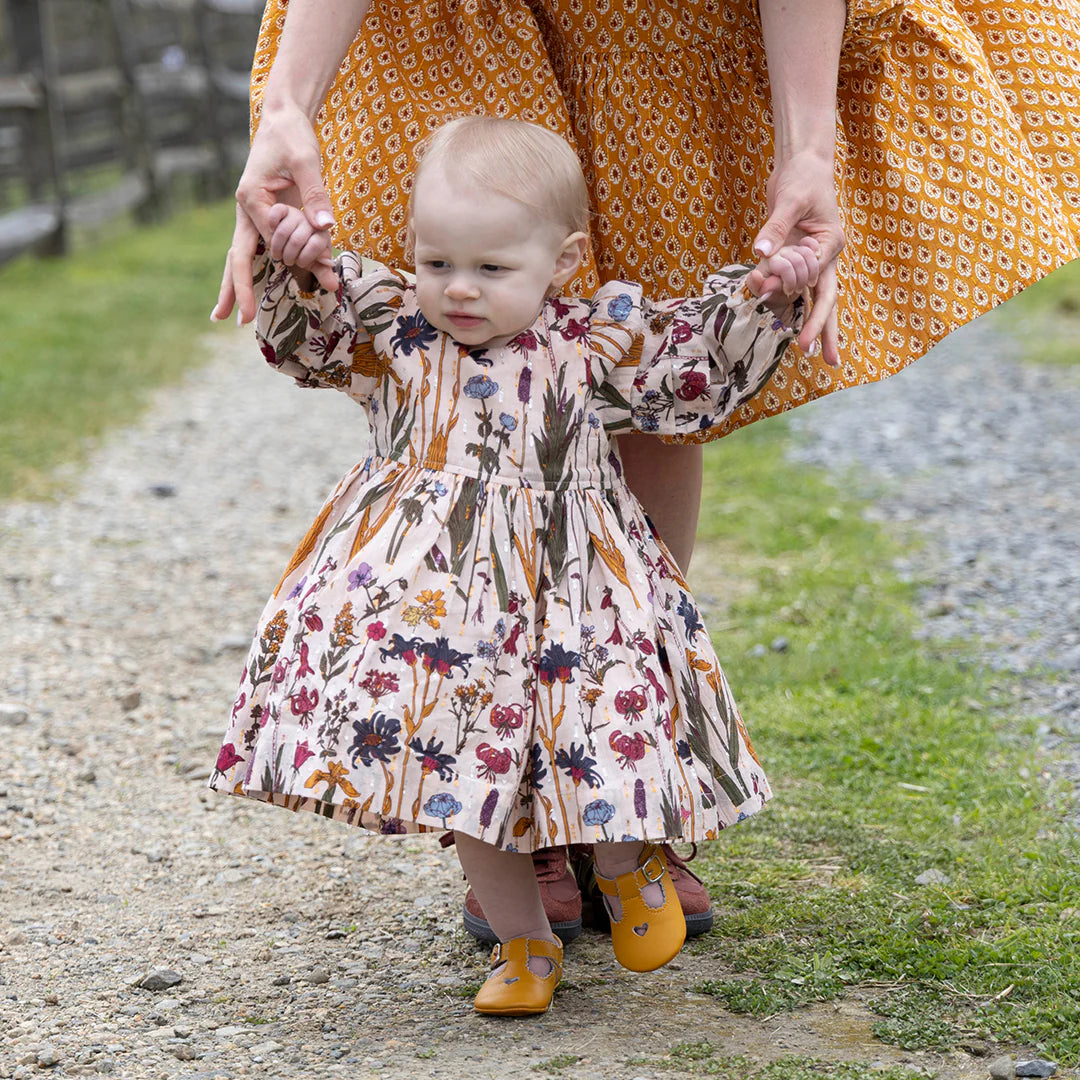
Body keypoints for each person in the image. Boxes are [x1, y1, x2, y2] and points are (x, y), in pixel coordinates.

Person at [212, 0, 1080, 941]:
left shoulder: (608, 333)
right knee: (470, 230)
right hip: (451, 20)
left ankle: (615, 786)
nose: (450, 287)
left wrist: (802, 175)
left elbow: (683, 368)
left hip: (654, 26)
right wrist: (290, 117)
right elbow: (329, 332)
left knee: (626, 403)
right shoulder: (406, 314)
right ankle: (509, 802)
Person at [209, 116, 818, 1015]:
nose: (458, 291)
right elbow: (308, 339)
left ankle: (626, 863)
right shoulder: (396, 332)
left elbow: (693, 373)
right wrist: (293, 259)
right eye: (435, 262)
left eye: (491, 270)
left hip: (577, 600)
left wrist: (770, 292)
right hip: (443, 614)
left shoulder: (592, 343)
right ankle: (525, 944)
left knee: (605, 726)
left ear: (564, 261)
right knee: (463, 768)